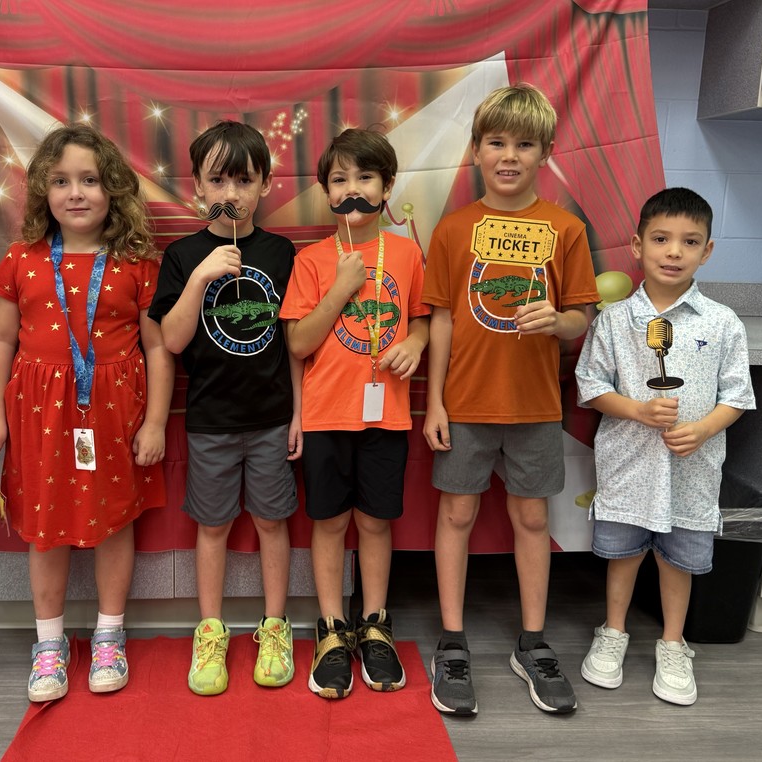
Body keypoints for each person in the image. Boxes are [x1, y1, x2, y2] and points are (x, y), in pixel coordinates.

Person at [0, 123, 173, 703]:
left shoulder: (136, 262)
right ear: (43, 191)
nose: (77, 193)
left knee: (115, 521)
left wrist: (157, 422)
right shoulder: (22, 259)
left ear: (112, 188)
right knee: (44, 526)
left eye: (89, 179)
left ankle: (109, 632)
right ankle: (50, 641)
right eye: (61, 181)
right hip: (39, 413)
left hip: (115, 412)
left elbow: (159, 346)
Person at [422, 83, 600, 715]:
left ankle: (533, 642)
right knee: (456, 518)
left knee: (532, 520)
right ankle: (451, 640)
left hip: (533, 406)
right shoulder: (452, 228)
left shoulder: (565, 228)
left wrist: (558, 321)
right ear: (475, 151)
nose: (508, 155)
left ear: (544, 154)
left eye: (524, 144)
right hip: (465, 404)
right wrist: (437, 403)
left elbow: (582, 316)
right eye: (496, 142)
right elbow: (440, 317)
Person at [575, 187, 755, 706]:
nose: (674, 251)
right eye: (661, 239)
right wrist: (637, 409)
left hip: (691, 471)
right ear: (637, 246)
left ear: (707, 250)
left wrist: (702, 429)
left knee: (679, 559)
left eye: (689, 241)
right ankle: (612, 633)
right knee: (624, 555)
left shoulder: (722, 323)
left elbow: (737, 397)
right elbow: (591, 385)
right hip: (630, 466)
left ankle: (673, 644)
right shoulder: (614, 320)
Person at [148, 120, 301, 695]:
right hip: (210, 421)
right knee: (212, 527)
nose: (230, 193)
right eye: (218, 180)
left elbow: (292, 340)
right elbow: (172, 340)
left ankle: (275, 625)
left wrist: (299, 413)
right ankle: (210, 632)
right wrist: (201, 278)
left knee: (271, 522)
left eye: (243, 179)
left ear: (265, 185)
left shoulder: (282, 253)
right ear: (197, 187)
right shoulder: (183, 255)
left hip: (270, 418)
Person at [281, 128, 430, 700]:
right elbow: (298, 344)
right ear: (325, 191)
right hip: (324, 415)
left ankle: (374, 623)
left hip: (386, 415)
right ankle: (329, 629)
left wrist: (415, 343)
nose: (352, 192)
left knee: (374, 522)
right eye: (339, 180)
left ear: (387, 187)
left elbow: (419, 319)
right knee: (330, 522)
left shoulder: (408, 252)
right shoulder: (313, 260)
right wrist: (341, 288)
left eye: (365, 178)